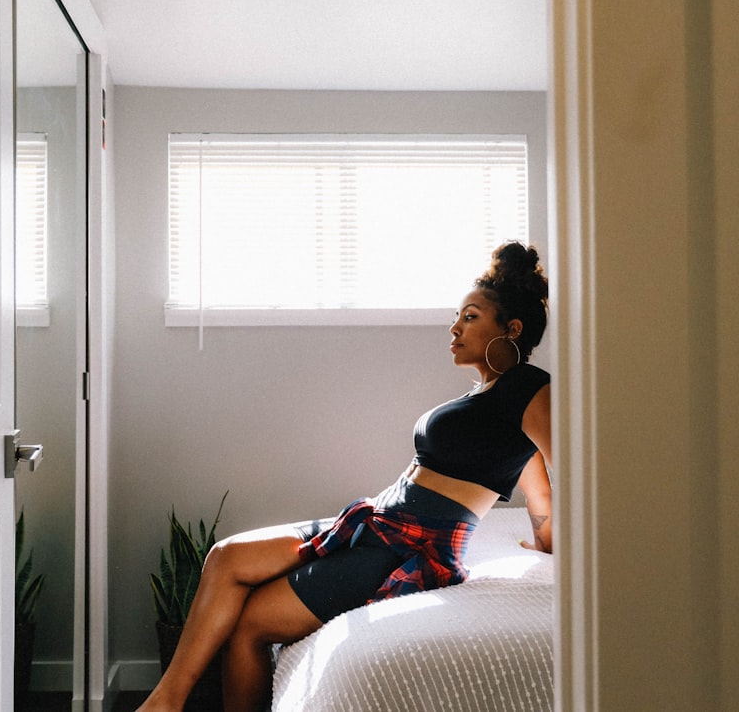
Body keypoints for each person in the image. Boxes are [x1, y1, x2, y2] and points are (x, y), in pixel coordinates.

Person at [137, 241, 553, 712]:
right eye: (456, 317)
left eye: (471, 317)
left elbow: (569, 473)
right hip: (374, 522)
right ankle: (165, 703)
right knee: (226, 557)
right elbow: (538, 490)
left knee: (250, 624)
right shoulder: (494, 396)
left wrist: (571, 547)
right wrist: (543, 539)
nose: (454, 328)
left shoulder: (529, 388)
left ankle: (161, 706)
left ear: (511, 328)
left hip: (408, 547)